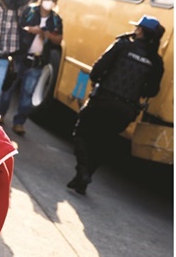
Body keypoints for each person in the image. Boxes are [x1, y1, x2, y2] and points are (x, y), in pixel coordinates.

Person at [67, 15, 164, 195]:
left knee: (81, 133)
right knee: (103, 143)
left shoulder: (122, 45)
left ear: (140, 30)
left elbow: (97, 71)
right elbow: (152, 91)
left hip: (102, 100)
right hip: (126, 109)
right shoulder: (156, 61)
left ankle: (82, 170)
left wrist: (99, 81)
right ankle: (82, 181)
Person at [0, 0, 63, 134]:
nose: (49, 2)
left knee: (28, 93)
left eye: (52, 0)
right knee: (8, 88)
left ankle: (19, 123)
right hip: (20, 56)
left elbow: (58, 40)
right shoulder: (29, 11)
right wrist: (30, 30)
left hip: (37, 62)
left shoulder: (56, 20)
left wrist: (46, 35)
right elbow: (17, 27)